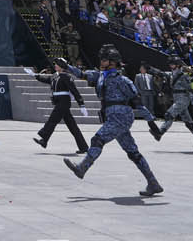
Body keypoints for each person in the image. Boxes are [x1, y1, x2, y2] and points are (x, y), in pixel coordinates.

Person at [63, 45, 164, 197]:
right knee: (133, 152)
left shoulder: (122, 80)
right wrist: (67, 66)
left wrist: (151, 122)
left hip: (120, 116)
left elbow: (137, 102)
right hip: (113, 116)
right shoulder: (101, 76)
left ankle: (82, 168)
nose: (101, 62)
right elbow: (83, 74)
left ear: (112, 62)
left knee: (97, 139)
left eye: (104, 60)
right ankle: (153, 183)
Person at [149, 60, 193, 152]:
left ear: (178, 66)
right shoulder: (173, 74)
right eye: (170, 64)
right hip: (178, 99)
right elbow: (162, 73)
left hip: (183, 99)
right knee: (189, 123)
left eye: (173, 64)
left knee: (169, 114)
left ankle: (160, 132)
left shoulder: (183, 76)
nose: (170, 65)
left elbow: (190, 89)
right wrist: (151, 69)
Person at [32, 58, 89, 153]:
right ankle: (83, 147)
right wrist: (35, 75)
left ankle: (44, 139)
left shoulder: (66, 76)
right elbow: (46, 79)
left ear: (62, 66)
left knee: (52, 119)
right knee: (72, 126)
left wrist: (81, 104)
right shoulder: (55, 76)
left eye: (57, 64)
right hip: (58, 102)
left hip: (64, 102)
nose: (55, 66)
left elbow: (74, 90)